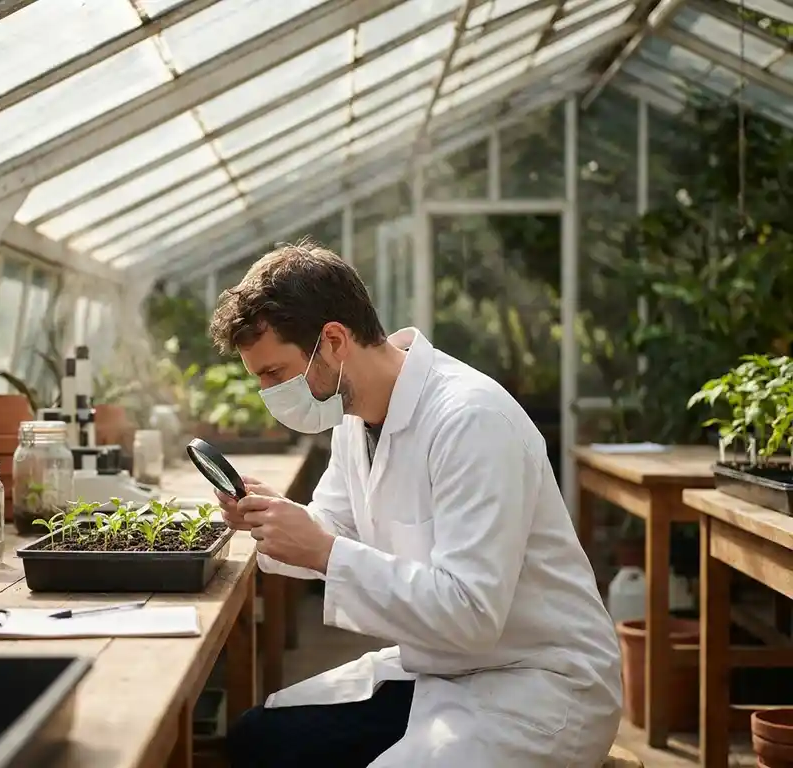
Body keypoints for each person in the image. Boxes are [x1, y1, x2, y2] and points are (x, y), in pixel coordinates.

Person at [208, 240, 623, 767]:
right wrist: (272, 520)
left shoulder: (470, 420)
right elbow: (334, 526)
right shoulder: (353, 418)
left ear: (333, 339)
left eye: (274, 373)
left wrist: (323, 552)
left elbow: (472, 614)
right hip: (441, 669)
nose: (269, 393)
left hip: (537, 681)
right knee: (258, 739)